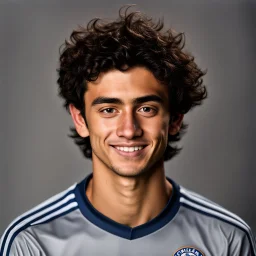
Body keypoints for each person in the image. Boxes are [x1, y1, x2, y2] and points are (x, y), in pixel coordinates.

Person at [1, 6, 255, 256]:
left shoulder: (226, 238)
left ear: (175, 119)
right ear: (80, 120)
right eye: (109, 110)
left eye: (146, 109)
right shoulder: (33, 241)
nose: (129, 130)